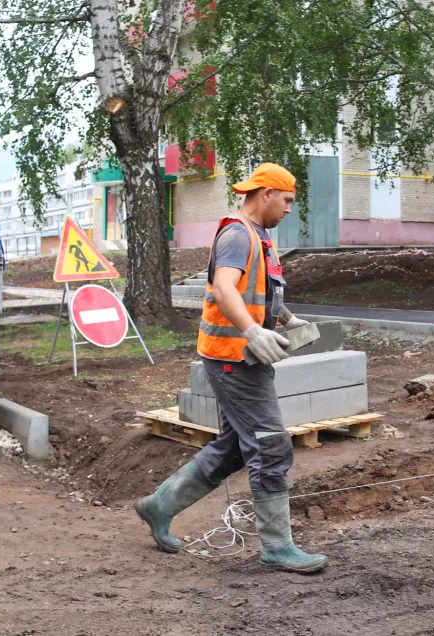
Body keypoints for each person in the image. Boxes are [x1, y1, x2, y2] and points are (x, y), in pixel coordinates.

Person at [135, 163, 326, 574]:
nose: (290, 209)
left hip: (242, 355)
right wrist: (252, 331)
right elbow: (224, 288)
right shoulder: (238, 234)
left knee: (237, 445)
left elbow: (257, 287)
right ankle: (277, 546)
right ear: (266, 194)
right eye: (287, 200)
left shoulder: (260, 237)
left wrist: (288, 320)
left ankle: (159, 505)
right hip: (234, 357)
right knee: (271, 444)